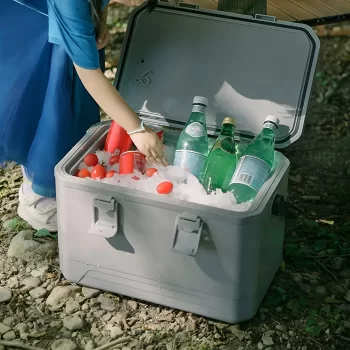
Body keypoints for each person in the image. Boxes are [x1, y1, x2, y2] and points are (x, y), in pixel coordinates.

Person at [0, 0, 167, 232]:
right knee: (49, 96)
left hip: (59, 15)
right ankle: (38, 195)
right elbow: (90, 75)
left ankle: (53, 181)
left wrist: (100, 17)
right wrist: (136, 129)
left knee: (72, 96)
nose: (137, 3)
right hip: (27, 19)